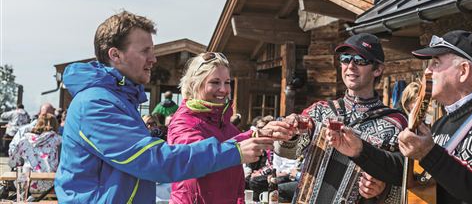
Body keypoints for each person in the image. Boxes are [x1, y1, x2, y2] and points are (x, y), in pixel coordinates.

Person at [55, 11, 273, 203]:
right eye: (145, 51)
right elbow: (153, 161)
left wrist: (257, 137)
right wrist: (234, 152)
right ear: (115, 55)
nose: (153, 58)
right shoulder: (95, 104)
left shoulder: (119, 99)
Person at [327, 30, 472, 204]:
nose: (427, 71)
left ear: (463, 70)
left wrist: (430, 154)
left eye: (435, 62)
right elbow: (406, 169)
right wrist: (359, 150)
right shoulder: (443, 122)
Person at [278, 33, 408, 203]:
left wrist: (383, 190)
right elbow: (287, 152)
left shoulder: (395, 123)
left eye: (360, 60)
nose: (351, 66)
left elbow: (406, 183)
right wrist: (290, 132)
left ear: (378, 69)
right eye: (345, 59)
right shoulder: (319, 111)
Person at [168, 53, 293, 203]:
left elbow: (231, 146)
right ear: (195, 84)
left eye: (227, 82)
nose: (223, 89)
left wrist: (261, 133)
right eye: (215, 82)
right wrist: (239, 149)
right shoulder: (183, 121)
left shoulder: (224, 123)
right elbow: (193, 159)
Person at [8, 113, 61, 195]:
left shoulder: (24, 140)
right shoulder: (59, 140)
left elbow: (12, 163)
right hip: (52, 186)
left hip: (27, 185)